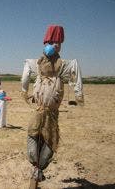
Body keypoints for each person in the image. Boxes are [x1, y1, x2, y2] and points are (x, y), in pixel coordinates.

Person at [21, 25, 84, 183]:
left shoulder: (63, 67)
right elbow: (27, 67)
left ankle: (40, 168)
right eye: (52, 42)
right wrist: (24, 89)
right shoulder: (37, 64)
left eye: (58, 42)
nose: (56, 45)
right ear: (45, 43)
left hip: (52, 115)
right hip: (38, 111)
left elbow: (75, 67)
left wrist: (78, 93)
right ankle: (35, 165)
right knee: (32, 137)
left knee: (50, 144)